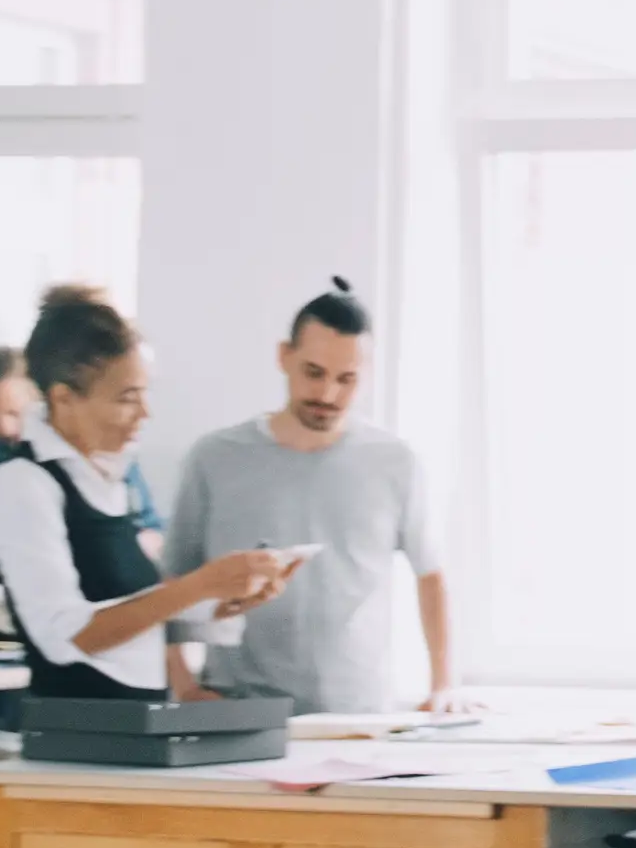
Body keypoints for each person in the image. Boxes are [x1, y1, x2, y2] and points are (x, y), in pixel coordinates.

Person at [0, 286, 291, 702]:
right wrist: (198, 586)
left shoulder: (109, 479)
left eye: (145, 394)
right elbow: (68, 636)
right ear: (63, 399)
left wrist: (225, 598)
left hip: (131, 726)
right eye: (128, 398)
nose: (145, 414)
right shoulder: (22, 484)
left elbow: (133, 618)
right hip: (79, 739)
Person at [164, 280, 457, 715]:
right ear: (285, 357)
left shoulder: (395, 462)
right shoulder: (213, 458)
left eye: (347, 379)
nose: (328, 395)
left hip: (356, 715)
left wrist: (443, 687)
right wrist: (182, 684)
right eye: (314, 373)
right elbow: (170, 582)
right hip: (236, 711)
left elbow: (430, 575)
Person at [0, 344, 161, 590]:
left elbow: (157, 538)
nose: (5, 428)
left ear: (45, 398)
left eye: (14, 413)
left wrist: (116, 551)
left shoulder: (101, 455)